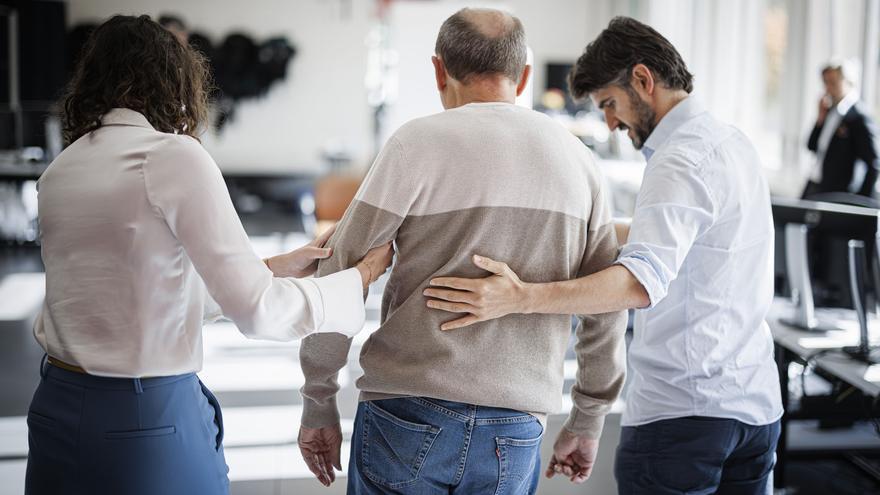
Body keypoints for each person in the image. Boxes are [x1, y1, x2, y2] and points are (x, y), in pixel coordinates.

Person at [26, 15, 393, 495]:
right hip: (143, 421)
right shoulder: (171, 156)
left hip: (56, 409)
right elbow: (259, 312)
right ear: (172, 79)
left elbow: (136, 293)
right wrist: (356, 281)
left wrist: (270, 268)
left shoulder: (61, 170)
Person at [425, 16, 783, 495]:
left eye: (610, 105)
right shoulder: (732, 143)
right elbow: (684, 240)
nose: (611, 124)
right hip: (756, 410)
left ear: (642, 79)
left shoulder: (677, 159)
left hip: (685, 416)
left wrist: (519, 298)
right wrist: (575, 228)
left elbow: (637, 283)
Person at [297, 8, 627, 494]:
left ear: (438, 70)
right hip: (515, 423)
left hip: (405, 410)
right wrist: (588, 417)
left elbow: (339, 271)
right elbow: (605, 302)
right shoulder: (581, 163)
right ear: (524, 76)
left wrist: (318, 399)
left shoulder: (415, 144)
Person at [802, 59, 880, 199]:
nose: (827, 88)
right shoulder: (830, 110)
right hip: (816, 183)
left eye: (832, 82)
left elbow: (874, 163)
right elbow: (811, 146)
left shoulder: (859, 117)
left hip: (838, 192)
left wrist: (859, 201)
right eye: (825, 82)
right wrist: (820, 119)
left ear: (848, 81)